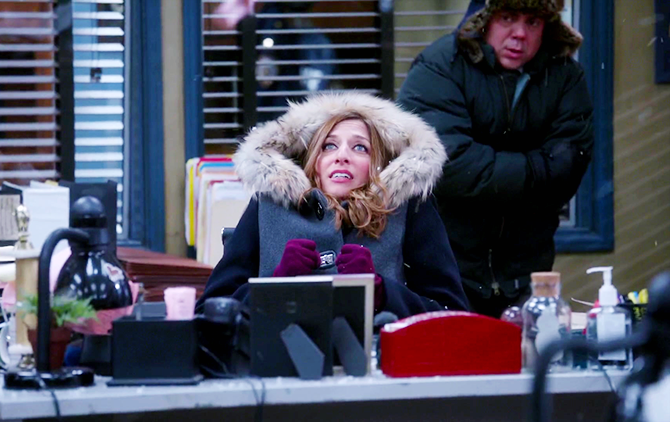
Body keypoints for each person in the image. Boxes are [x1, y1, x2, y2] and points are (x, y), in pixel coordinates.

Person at [397, 0, 594, 318]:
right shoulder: (440, 65)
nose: (520, 34)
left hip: (527, 271)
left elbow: (569, 164)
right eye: (508, 18)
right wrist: (535, 168)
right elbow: (449, 164)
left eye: (533, 22)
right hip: (448, 270)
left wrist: (494, 172)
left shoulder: (564, 75)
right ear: (483, 20)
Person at [197, 92, 469, 319]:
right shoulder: (268, 205)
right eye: (328, 146)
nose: (342, 156)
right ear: (311, 160)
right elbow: (210, 311)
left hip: (381, 361)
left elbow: (452, 313)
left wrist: (381, 293)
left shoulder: (408, 209)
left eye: (360, 148)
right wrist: (276, 285)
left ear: (379, 164)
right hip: (277, 361)